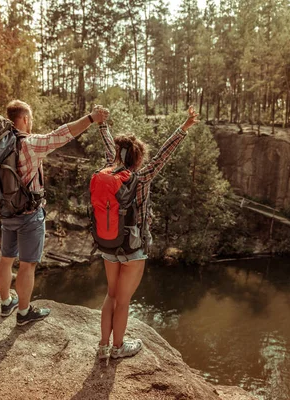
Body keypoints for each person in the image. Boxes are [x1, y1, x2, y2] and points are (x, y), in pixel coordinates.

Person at [0, 84, 109, 325]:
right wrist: (91, 118)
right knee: (28, 265)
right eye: (31, 119)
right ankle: (24, 312)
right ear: (26, 119)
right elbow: (62, 134)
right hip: (29, 214)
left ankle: (7, 302)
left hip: (5, 211)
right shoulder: (30, 144)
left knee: (6, 258)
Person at [96, 106, 199, 359]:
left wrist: (101, 125)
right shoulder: (141, 177)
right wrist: (183, 128)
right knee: (123, 300)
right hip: (133, 248)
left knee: (110, 295)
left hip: (108, 244)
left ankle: (102, 347)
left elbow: (110, 146)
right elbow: (164, 154)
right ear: (138, 158)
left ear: (118, 156)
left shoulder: (109, 170)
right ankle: (118, 348)